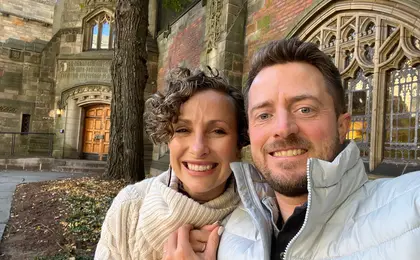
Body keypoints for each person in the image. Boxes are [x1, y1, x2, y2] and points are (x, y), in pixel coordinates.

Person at [165, 38, 420, 260]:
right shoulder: (226, 231)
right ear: (250, 133)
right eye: (264, 115)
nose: (284, 129)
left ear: (342, 126)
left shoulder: (412, 207)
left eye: (305, 109)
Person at [94, 67, 273, 260]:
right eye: (182, 130)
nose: (198, 148)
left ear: (239, 144)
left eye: (218, 131)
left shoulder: (267, 215)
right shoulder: (129, 207)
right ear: (167, 138)